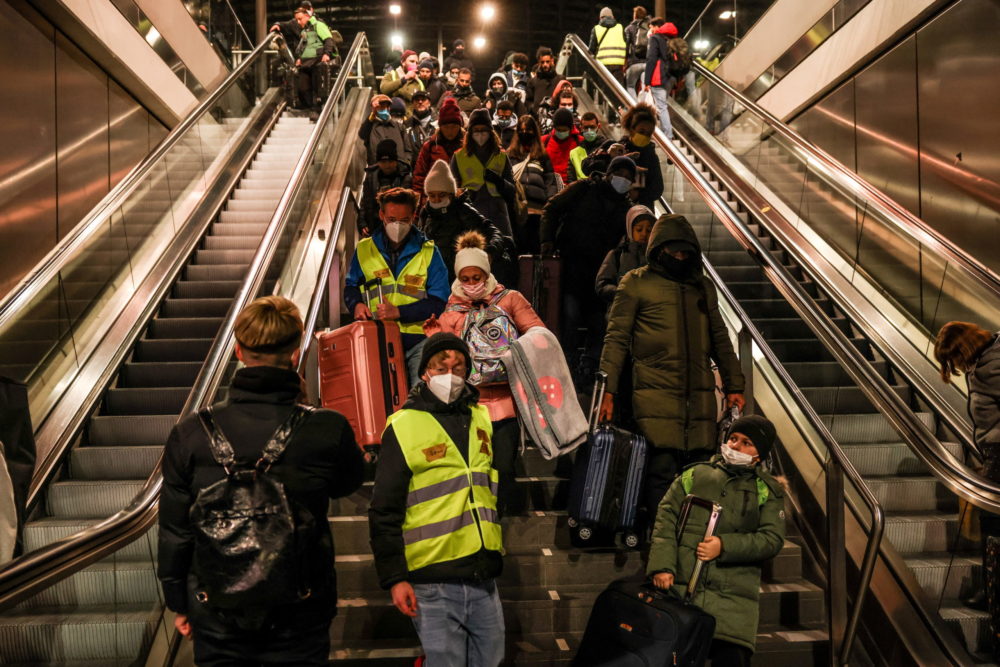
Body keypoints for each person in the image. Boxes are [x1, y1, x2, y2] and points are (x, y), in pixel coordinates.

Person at [158, 295, 365, 666]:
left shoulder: (190, 434)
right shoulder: (326, 427)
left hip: (217, 611)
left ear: (238, 350)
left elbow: (175, 530)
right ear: (296, 351)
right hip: (301, 611)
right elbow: (347, 483)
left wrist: (179, 600)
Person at [369, 333, 505, 667]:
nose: (450, 371)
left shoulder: (481, 419)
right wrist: (394, 577)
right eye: (440, 364)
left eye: (458, 364)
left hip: (483, 576)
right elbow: (384, 509)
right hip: (432, 580)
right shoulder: (403, 425)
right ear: (425, 371)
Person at [598, 213, 746, 519]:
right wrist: (607, 391)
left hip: (699, 396)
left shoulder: (702, 287)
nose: (679, 257)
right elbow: (616, 339)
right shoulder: (636, 283)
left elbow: (720, 338)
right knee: (661, 472)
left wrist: (735, 385)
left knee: (699, 477)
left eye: (684, 252)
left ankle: (690, 548)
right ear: (658, 250)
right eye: (673, 251)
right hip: (655, 395)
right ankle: (662, 546)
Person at [647, 415, 786, 667]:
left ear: (760, 454)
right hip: (683, 592)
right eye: (733, 438)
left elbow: (771, 539)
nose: (736, 447)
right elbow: (666, 517)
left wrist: (724, 546)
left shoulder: (767, 489)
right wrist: (662, 565)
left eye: (747, 443)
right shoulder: (696, 474)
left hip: (734, 602)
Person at [424, 232, 545, 514]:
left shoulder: (510, 300)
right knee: (477, 467)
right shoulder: (452, 311)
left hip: (507, 402)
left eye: (476, 277)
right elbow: (444, 358)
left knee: (503, 466)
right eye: (465, 279)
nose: (471, 284)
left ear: (486, 273)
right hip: (470, 404)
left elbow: (538, 333)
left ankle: (503, 521)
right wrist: (434, 337)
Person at [934, 321, 1000, 656]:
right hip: (994, 455)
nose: (957, 368)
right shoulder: (992, 357)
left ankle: (993, 595)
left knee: (993, 528)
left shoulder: (990, 368)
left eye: (955, 360)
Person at [540, 156, 636, 386]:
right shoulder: (584, 189)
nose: (622, 180)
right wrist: (547, 241)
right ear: (609, 173)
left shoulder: (627, 208)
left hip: (601, 275)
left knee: (598, 323)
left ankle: (587, 367)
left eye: (628, 177)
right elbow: (552, 208)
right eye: (619, 174)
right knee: (570, 318)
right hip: (572, 266)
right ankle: (567, 364)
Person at [344, 188, 449, 383]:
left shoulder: (429, 252)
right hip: (377, 339)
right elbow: (351, 286)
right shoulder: (365, 249)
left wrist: (399, 312)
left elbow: (439, 302)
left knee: (420, 399)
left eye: (404, 220)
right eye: (392, 219)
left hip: (419, 342)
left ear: (413, 217)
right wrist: (356, 305)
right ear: (381, 215)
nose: (398, 226)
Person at [419, 160, 506, 282]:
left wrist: (488, 253)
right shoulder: (426, 213)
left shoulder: (463, 210)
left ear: (450, 194)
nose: (437, 199)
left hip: (461, 279)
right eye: (432, 195)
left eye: (442, 194)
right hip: (434, 278)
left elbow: (493, 232)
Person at [450, 108, 516, 237]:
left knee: (503, 250)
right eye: (476, 130)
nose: (480, 134)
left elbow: (512, 190)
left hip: (498, 213)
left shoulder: (501, 155)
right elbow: (452, 191)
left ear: (490, 132)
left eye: (484, 130)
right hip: (470, 213)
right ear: (470, 132)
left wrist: (499, 182)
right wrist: (466, 194)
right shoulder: (458, 156)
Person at [507, 115, 559, 254]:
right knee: (520, 249)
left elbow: (550, 180)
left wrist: (550, 201)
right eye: (522, 130)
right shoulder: (511, 155)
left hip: (538, 210)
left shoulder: (542, 155)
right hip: (518, 210)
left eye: (528, 130)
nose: (525, 133)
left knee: (536, 248)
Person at [595, 204, 653, 303]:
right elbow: (602, 284)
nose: (644, 234)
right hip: (621, 310)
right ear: (630, 229)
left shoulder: (655, 256)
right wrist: (620, 293)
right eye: (639, 229)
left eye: (649, 230)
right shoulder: (617, 254)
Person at [412, 98, 465, 198]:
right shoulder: (430, 146)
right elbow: (419, 176)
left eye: (454, 126)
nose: (450, 131)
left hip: (461, 200)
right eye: (446, 126)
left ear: (459, 126)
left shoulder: (467, 146)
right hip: (435, 200)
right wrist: (421, 201)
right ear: (440, 127)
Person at [359, 140, 413, 237]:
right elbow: (366, 202)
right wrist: (362, 222)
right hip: (375, 226)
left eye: (390, 161)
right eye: (383, 162)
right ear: (378, 162)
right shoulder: (371, 177)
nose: (387, 165)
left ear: (396, 161)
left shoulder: (404, 177)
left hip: (397, 228)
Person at [644, 19, 687, 139]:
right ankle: (665, 132)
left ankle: (668, 135)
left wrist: (647, 81)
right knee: (663, 104)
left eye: (652, 27)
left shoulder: (655, 38)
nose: (651, 29)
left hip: (659, 77)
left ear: (658, 27)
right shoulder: (674, 40)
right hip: (672, 77)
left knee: (661, 106)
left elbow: (651, 59)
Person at [291, 7, 336, 116]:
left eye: (300, 19)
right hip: (305, 62)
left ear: (307, 16)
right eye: (296, 19)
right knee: (302, 87)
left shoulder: (318, 25)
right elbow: (304, 48)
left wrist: (327, 54)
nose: (298, 22)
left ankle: (317, 110)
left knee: (317, 87)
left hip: (318, 59)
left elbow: (328, 39)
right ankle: (310, 108)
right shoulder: (304, 31)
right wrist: (299, 59)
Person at [619, 103, 664, 208]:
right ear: (631, 129)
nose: (644, 136)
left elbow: (657, 188)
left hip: (642, 212)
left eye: (648, 134)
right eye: (641, 131)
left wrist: (639, 195)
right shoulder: (618, 149)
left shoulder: (651, 156)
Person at [358, 94, 409, 164]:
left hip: (399, 171)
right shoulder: (370, 127)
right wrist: (372, 115)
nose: (385, 108)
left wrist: (405, 164)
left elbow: (408, 150)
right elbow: (362, 134)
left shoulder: (400, 127)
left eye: (387, 106)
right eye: (381, 106)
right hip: (377, 172)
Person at [542, 108, 583, 184]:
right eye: (558, 130)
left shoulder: (580, 142)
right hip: (549, 186)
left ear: (570, 128)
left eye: (564, 130)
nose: (561, 132)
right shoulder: (544, 141)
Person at [588, 6, 627, 84]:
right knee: (618, 88)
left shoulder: (596, 29)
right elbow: (626, 43)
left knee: (604, 87)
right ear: (612, 17)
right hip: (618, 63)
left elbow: (591, 49)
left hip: (602, 63)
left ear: (600, 18)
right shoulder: (620, 27)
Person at [524, 47, 566, 113]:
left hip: (556, 116)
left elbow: (565, 98)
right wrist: (534, 109)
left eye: (547, 62)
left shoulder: (560, 80)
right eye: (542, 62)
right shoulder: (532, 81)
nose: (545, 65)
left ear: (552, 61)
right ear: (539, 63)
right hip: (537, 118)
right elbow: (528, 101)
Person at [568, 112, 607, 180]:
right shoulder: (574, 153)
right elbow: (571, 178)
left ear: (598, 126)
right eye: (586, 127)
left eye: (592, 127)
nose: (589, 131)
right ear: (581, 128)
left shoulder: (607, 148)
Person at [624, 6, 652, 93]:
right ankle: (645, 105)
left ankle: (635, 104)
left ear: (635, 16)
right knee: (646, 88)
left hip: (634, 63)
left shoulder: (629, 28)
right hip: (647, 63)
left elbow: (626, 46)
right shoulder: (649, 28)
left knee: (630, 86)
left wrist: (625, 62)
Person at [403, 90, 438, 159]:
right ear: (413, 104)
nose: (420, 102)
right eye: (417, 100)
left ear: (429, 103)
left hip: (434, 163)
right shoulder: (407, 124)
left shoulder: (438, 122)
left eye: (423, 99)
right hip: (414, 165)